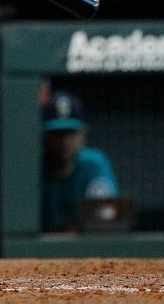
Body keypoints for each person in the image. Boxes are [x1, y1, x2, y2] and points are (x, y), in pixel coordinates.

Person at [41, 91, 118, 233]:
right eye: (58, 133)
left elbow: (107, 218)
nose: (64, 141)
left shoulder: (93, 164)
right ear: (44, 137)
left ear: (83, 135)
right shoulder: (32, 166)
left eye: (70, 132)